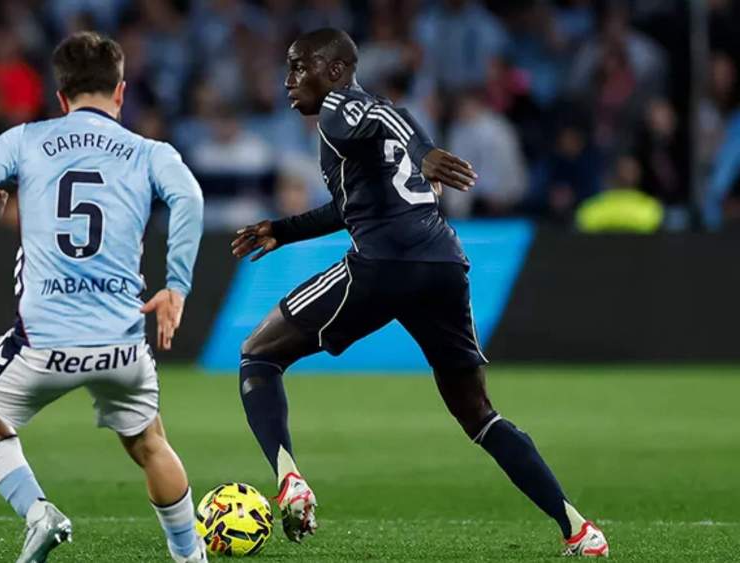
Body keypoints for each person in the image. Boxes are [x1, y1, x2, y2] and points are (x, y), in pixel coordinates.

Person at [231, 28, 609, 558]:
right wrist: (283, 229)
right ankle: (579, 530)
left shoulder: (342, 106)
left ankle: (289, 479)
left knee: (258, 354)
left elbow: (386, 113)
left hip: (384, 265)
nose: (288, 80)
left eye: (299, 66)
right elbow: (350, 206)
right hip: (444, 267)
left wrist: (426, 151)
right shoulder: (361, 128)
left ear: (335, 70)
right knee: (478, 414)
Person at [0, 31, 206, 563]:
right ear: (121, 92)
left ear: (60, 97)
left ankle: (39, 513)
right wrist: (176, 286)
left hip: (43, 345)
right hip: (121, 344)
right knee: (150, 443)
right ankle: (188, 554)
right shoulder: (149, 152)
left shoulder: (25, 140)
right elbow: (189, 198)